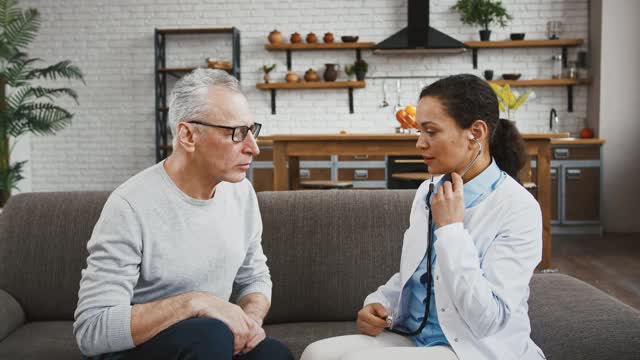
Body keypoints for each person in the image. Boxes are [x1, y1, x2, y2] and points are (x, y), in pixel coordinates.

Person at [301, 74, 545, 360]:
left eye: (431, 131)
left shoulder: (518, 208)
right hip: (419, 339)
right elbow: (421, 273)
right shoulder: (427, 191)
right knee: (315, 354)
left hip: (473, 349)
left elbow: (487, 319)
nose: (419, 143)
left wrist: (451, 231)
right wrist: (380, 303)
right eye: (419, 131)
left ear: (475, 133)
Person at [73, 69, 293, 360]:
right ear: (188, 135)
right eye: (237, 133)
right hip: (134, 350)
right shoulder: (129, 206)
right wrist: (195, 302)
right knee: (209, 334)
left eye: (252, 130)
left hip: (206, 344)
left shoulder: (241, 194)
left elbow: (254, 277)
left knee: (273, 355)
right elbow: (92, 330)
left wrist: (249, 320)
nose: (253, 147)